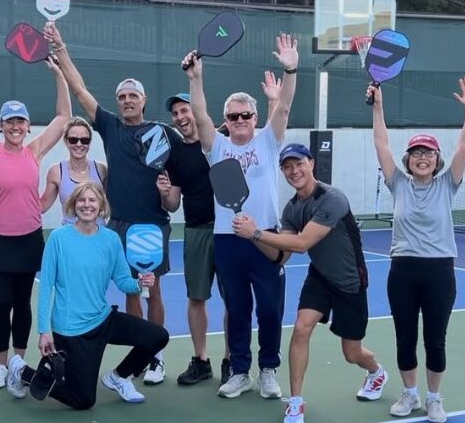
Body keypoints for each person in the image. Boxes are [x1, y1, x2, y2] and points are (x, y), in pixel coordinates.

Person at [43, 22, 181, 385]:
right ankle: (136, 358)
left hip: (152, 224)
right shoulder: (109, 126)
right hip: (118, 225)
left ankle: (157, 356)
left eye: (133, 96)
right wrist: (61, 47)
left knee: (155, 289)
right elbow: (79, 87)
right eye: (122, 97)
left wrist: (168, 194)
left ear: (144, 101)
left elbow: (173, 197)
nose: (127, 101)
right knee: (130, 289)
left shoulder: (162, 134)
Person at [233, 143, 389, 423]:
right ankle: (295, 402)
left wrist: (256, 232)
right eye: (287, 167)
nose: (294, 171)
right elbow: (281, 257)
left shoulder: (332, 198)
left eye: (298, 164)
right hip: (319, 276)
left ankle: (376, 372)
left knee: (352, 353)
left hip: (349, 279)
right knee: (301, 329)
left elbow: (303, 243)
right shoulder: (292, 209)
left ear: (311, 164)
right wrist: (251, 236)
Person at [181, 33, 298, 399]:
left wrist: (290, 69)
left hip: (265, 239)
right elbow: (199, 115)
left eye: (246, 114)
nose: (240, 120)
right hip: (228, 240)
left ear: (255, 116)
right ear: (226, 121)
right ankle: (240, 371)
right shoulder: (216, 147)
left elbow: (285, 108)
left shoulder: (268, 139)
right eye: (233, 116)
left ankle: (268, 370)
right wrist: (195, 78)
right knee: (237, 308)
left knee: (268, 309)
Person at [5, 182, 169, 407]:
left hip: (103, 319)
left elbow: (123, 282)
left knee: (158, 336)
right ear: (74, 205)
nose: (87, 205)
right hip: (71, 330)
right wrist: (44, 331)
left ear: (101, 205)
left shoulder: (110, 240)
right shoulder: (58, 238)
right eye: (82, 200)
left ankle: (119, 377)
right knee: (83, 400)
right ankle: (21, 371)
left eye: (92, 200)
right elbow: (46, 287)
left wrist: (140, 283)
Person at [369, 77, 465, 423]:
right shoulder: (397, 182)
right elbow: (381, 143)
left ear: (436, 159)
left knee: (435, 340)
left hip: (439, 271)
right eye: (416, 153)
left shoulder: (448, 184)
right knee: (404, 338)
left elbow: (462, 149)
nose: (422, 157)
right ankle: (410, 394)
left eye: (428, 152)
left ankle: (434, 399)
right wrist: (379, 106)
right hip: (402, 270)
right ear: (408, 159)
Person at [0, 54, 72, 390]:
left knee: (22, 304)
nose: (15, 127)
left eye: (20, 122)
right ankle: (1, 365)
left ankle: (18, 359)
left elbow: (64, 117)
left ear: (28, 126)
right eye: (9, 122)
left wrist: (58, 75)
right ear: (1, 126)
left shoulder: (35, 150)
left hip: (29, 237)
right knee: (0, 304)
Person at [156, 92, 231, 386]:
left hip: (229, 231)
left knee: (232, 299)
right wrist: (164, 192)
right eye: (175, 114)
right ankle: (201, 360)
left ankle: (231, 360)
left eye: (184, 110)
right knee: (196, 297)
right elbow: (173, 204)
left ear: (196, 110)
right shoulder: (175, 156)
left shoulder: (221, 140)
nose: (180, 117)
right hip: (196, 231)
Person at [40, 116, 108, 225]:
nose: (79, 144)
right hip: (69, 237)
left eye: (84, 140)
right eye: (73, 140)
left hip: (98, 235)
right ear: (66, 141)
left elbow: (110, 203)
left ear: (90, 143)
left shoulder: (101, 170)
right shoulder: (56, 172)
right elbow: (42, 206)